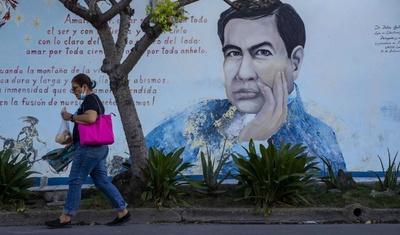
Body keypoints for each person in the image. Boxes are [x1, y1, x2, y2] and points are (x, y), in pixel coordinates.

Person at [145, 0, 346, 173]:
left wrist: (251, 143)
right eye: (233, 53)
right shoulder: (194, 121)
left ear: (295, 62)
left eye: (262, 53)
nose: (243, 73)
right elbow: (135, 169)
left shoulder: (317, 139)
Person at [45, 73, 130, 228]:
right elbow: (89, 125)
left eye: (75, 88)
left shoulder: (90, 100)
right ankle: (122, 211)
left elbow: (90, 118)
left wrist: (70, 117)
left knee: (75, 180)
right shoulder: (93, 100)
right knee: (102, 181)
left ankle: (66, 217)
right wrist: (73, 142)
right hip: (98, 148)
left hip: (89, 149)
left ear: (84, 86)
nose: (74, 92)